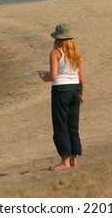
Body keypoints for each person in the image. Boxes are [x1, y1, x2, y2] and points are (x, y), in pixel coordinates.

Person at [39, 23, 84, 170]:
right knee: (73, 124)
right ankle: (73, 159)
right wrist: (82, 93)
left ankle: (65, 160)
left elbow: (53, 75)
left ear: (57, 38)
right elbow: (81, 75)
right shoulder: (76, 52)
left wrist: (44, 77)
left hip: (61, 90)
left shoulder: (55, 52)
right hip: (75, 89)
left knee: (60, 125)